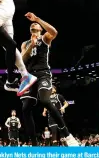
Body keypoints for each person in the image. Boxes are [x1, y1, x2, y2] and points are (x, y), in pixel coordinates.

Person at [19, 12, 79, 146]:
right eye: (32, 24)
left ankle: (68, 136)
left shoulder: (45, 38)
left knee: (45, 100)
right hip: (30, 77)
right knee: (25, 109)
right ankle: (34, 144)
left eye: (36, 25)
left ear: (40, 28)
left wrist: (37, 19)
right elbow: (22, 59)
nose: (33, 25)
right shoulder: (25, 43)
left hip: (43, 74)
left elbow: (54, 32)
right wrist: (31, 46)